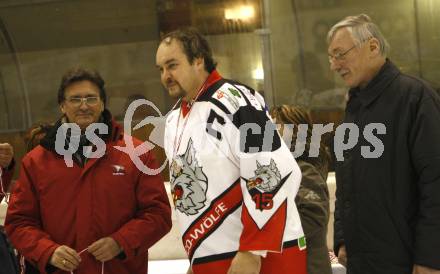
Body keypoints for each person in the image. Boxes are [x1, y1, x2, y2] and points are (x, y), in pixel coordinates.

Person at [156, 28, 306, 274]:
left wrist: (252, 249)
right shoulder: (174, 119)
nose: (165, 76)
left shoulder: (238, 99)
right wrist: (198, 257)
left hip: (262, 255)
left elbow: (273, 169)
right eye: (160, 69)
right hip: (213, 256)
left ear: (198, 60)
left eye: (172, 65)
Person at [5, 68, 172, 274]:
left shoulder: (137, 154)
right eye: (75, 99)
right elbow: (19, 222)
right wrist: (48, 252)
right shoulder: (36, 162)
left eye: (91, 98)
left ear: (102, 103)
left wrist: (120, 242)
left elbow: (158, 215)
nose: (84, 106)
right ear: (62, 106)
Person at [327, 14, 440, 274]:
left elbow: (435, 184)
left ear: (373, 47)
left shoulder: (415, 99)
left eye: (340, 54)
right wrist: (342, 238)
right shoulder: (353, 108)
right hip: (361, 261)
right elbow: (345, 183)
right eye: (331, 57)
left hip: (407, 260)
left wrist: (431, 259)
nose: (334, 65)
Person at [270, 105, 332, 274]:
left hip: (308, 266)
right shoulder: (283, 170)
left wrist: (265, 229)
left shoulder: (304, 170)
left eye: (277, 127)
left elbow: (312, 219)